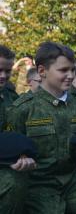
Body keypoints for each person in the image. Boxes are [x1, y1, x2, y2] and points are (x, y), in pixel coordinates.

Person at [7, 42, 76, 214]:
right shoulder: (23, 109)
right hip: (37, 185)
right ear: (42, 71)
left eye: (72, 70)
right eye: (63, 70)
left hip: (70, 181)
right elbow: (10, 154)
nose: (71, 75)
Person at [0, 45, 37, 214]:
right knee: (14, 182)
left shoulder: (9, 94)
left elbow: (16, 131)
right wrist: (9, 161)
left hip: (9, 160)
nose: (3, 76)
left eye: (7, 71)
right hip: (6, 164)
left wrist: (21, 153)